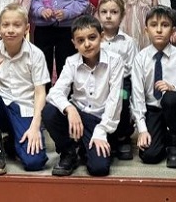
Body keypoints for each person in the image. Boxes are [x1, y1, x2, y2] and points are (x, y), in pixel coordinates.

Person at [42, 15, 124, 177]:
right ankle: (68, 152)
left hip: (100, 120)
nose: (87, 44)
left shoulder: (115, 61)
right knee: (49, 111)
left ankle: (87, 147)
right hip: (77, 116)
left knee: (99, 168)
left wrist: (102, 130)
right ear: (74, 43)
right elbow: (54, 92)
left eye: (92, 38)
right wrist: (70, 109)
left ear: (101, 37)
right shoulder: (71, 62)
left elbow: (115, 100)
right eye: (80, 40)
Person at [0, 3, 50, 175]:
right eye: (6, 25)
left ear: (27, 28)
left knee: (34, 162)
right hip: (1, 107)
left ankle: (11, 142)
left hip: (25, 110)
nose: (10, 30)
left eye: (17, 25)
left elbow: (40, 93)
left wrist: (35, 126)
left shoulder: (36, 54)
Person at [131, 6, 176, 168]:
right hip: (153, 110)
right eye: (153, 25)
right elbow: (137, 97)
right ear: (146, 30)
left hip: (175, 107)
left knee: (170, 98)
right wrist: (142, 130)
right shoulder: (140, 58)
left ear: (173, 31)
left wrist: (173, 88)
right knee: (149, 155)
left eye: (165, 25)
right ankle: (162, 136)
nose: (159, 30)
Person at [97, 0, 138, 160]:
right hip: (100, 82)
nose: (108, 16)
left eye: (114, 12)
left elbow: (134, 70)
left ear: (122, 16)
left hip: (122, 83)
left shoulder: (128, 42)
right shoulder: (95, 40)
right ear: (98, 14)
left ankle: (122, 137)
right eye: (104, 12)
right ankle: (105, 134)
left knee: (123, 100)